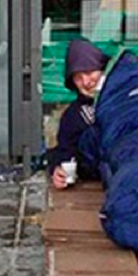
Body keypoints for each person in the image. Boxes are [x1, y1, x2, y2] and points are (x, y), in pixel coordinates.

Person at [47, 38, 109, 190]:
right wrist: (57, 170)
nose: (86, 82)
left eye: (89, 72)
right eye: (78, 78)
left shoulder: (128, 98)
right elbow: (65, 151)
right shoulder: (73, 116)